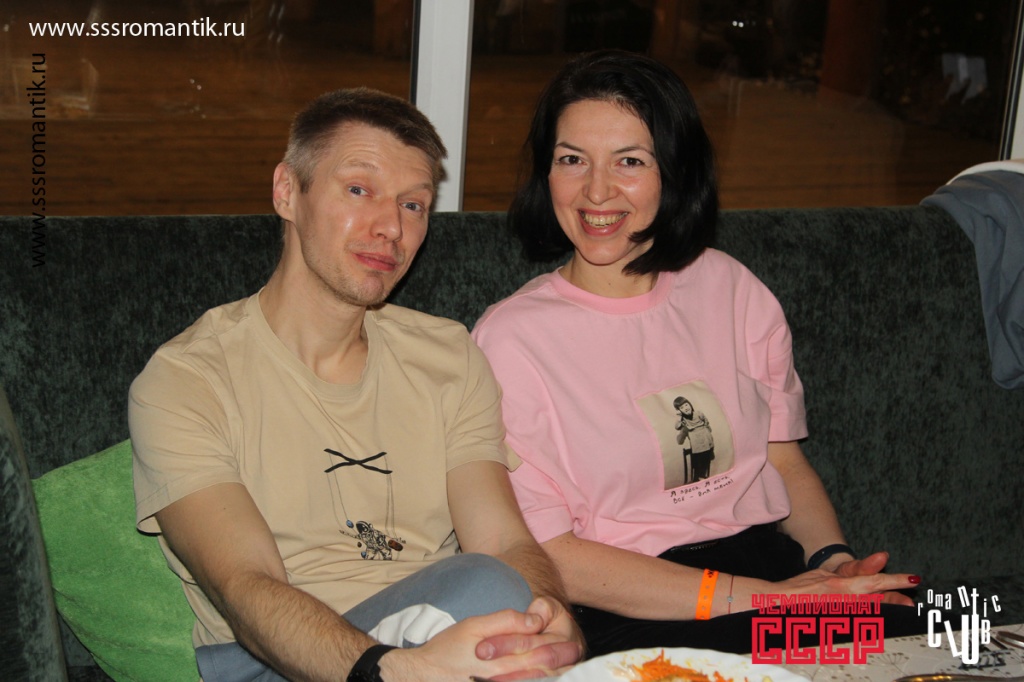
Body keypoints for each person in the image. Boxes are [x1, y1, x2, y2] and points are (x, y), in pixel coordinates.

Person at [471, 50, 924, 656]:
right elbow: (551, 554)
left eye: (630, 161)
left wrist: (835, 565)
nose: (596, 190)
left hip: (767, 568)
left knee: (957, 631)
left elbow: (782, 461)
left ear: (675, 171)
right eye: (571, 159)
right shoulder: (511, 340)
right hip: (637, 601)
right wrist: (770, 601)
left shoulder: (730, 287)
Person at [129, 87, 582, 682]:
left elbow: (502, 539)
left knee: (502, 593)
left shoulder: (449, 356)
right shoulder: (188, 379)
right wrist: (392, 669)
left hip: (450, 630)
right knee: (486, 588)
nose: (391, 227)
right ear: (287, 191)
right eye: (359, 190)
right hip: (275, 660)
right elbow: (245, 584)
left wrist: (551, 616)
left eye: (413, 204)